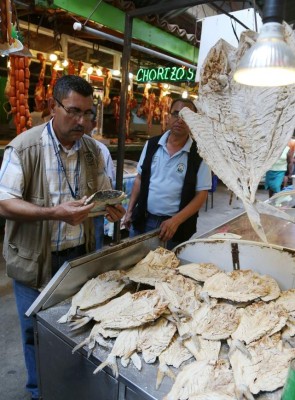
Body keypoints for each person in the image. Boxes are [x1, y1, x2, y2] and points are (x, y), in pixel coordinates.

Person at [0, 75, 125, 400]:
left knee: (74, 326)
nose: (81, 121)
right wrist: (54, 213)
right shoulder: (25, 147)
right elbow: (3, 201)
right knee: (33, 332)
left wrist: (110, 210)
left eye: (87, 114)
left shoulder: (92, 151)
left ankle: (70, 387)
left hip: (76, 260)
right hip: (34, 259)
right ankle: (39, 392)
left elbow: (99, 195)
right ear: (52, 107)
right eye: (73, 111)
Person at [123, 98, 211, 249]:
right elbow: (139, 179)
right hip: (143, 219)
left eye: (186, 116)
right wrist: (130, 210)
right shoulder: (151, 144)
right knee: (135, 266)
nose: (180, 120)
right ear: (169, 116)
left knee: (166, 269)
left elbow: (201, 194)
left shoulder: (200, 154)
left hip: (175, 227)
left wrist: (176, 221)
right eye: (176, 114)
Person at [85, 107, 116, 249]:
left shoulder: (100, 150)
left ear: (94, 124)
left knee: (92, 257)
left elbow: (108, 185)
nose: (80, 122)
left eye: (86, 118)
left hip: (93, 215)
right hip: (62, 218)